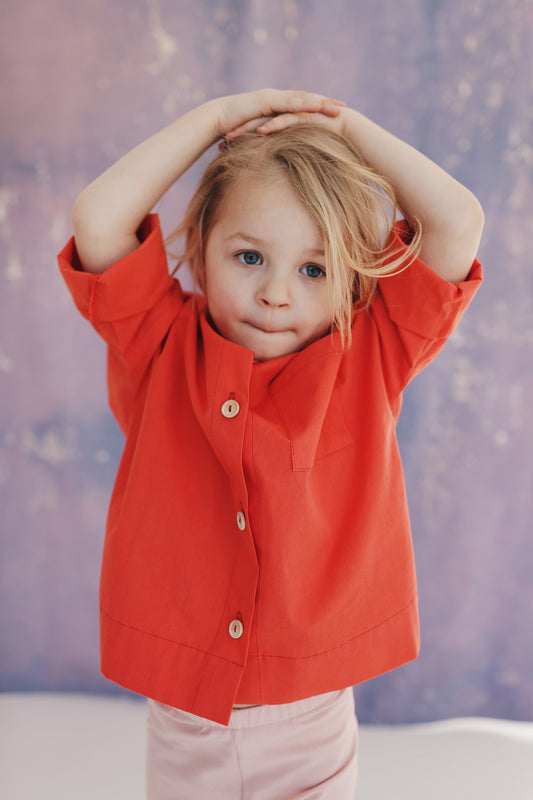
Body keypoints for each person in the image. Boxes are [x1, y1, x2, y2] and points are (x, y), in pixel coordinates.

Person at [57, 89, 484, 799]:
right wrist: (216, 119)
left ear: (352, 279)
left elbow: (457, 220)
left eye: (314, 270)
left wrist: (342, 124)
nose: (276, 294)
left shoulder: (372, 351)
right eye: (249, 256)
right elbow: (98, 218)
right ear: (201, 251)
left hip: (312, 719)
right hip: (186, 720)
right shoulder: (157, 343)